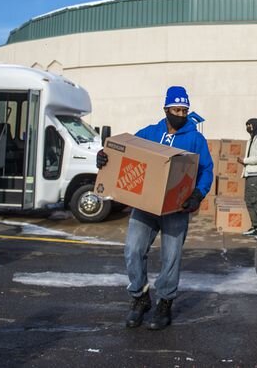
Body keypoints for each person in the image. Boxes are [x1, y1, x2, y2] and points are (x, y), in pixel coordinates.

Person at [96, 86, 213, 331]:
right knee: (133, 250)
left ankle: (165, 302)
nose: (180, 114)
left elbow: (206, 170)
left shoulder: (195, 138)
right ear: (166, 109)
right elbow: (126, 150)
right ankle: (140, 297)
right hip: (145, 207)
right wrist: (105, 156)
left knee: (171, 258)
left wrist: (198, 194)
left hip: (176, 208)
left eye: (184, 110)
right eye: (176, 110)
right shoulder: (150, 133)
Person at [237, 118, 257, 236]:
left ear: (255, 126)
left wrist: (244, 160)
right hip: (250, 174)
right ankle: (256, 227)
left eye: (249, 125)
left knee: (256, 201)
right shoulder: (252, 139)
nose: (247, 128)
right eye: (247, 125)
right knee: (249, 201)